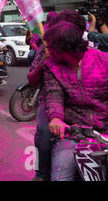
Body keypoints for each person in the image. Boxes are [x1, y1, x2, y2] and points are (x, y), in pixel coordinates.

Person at [41, 18, 108, 181]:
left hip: (105, 131)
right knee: (60, 178)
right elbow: (53, 94)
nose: (47, 51)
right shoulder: (52, 66)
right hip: (74, 133)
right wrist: (56, 118)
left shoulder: (104, 60)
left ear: (63, 49)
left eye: (50, 47)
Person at [28, 10, 88, 181]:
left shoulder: (93, 53)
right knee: (45, 133)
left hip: (83, 108)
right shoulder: (47, 50)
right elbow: (34, 81)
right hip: (49, 103)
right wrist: (44, 60)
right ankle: (41, 173)